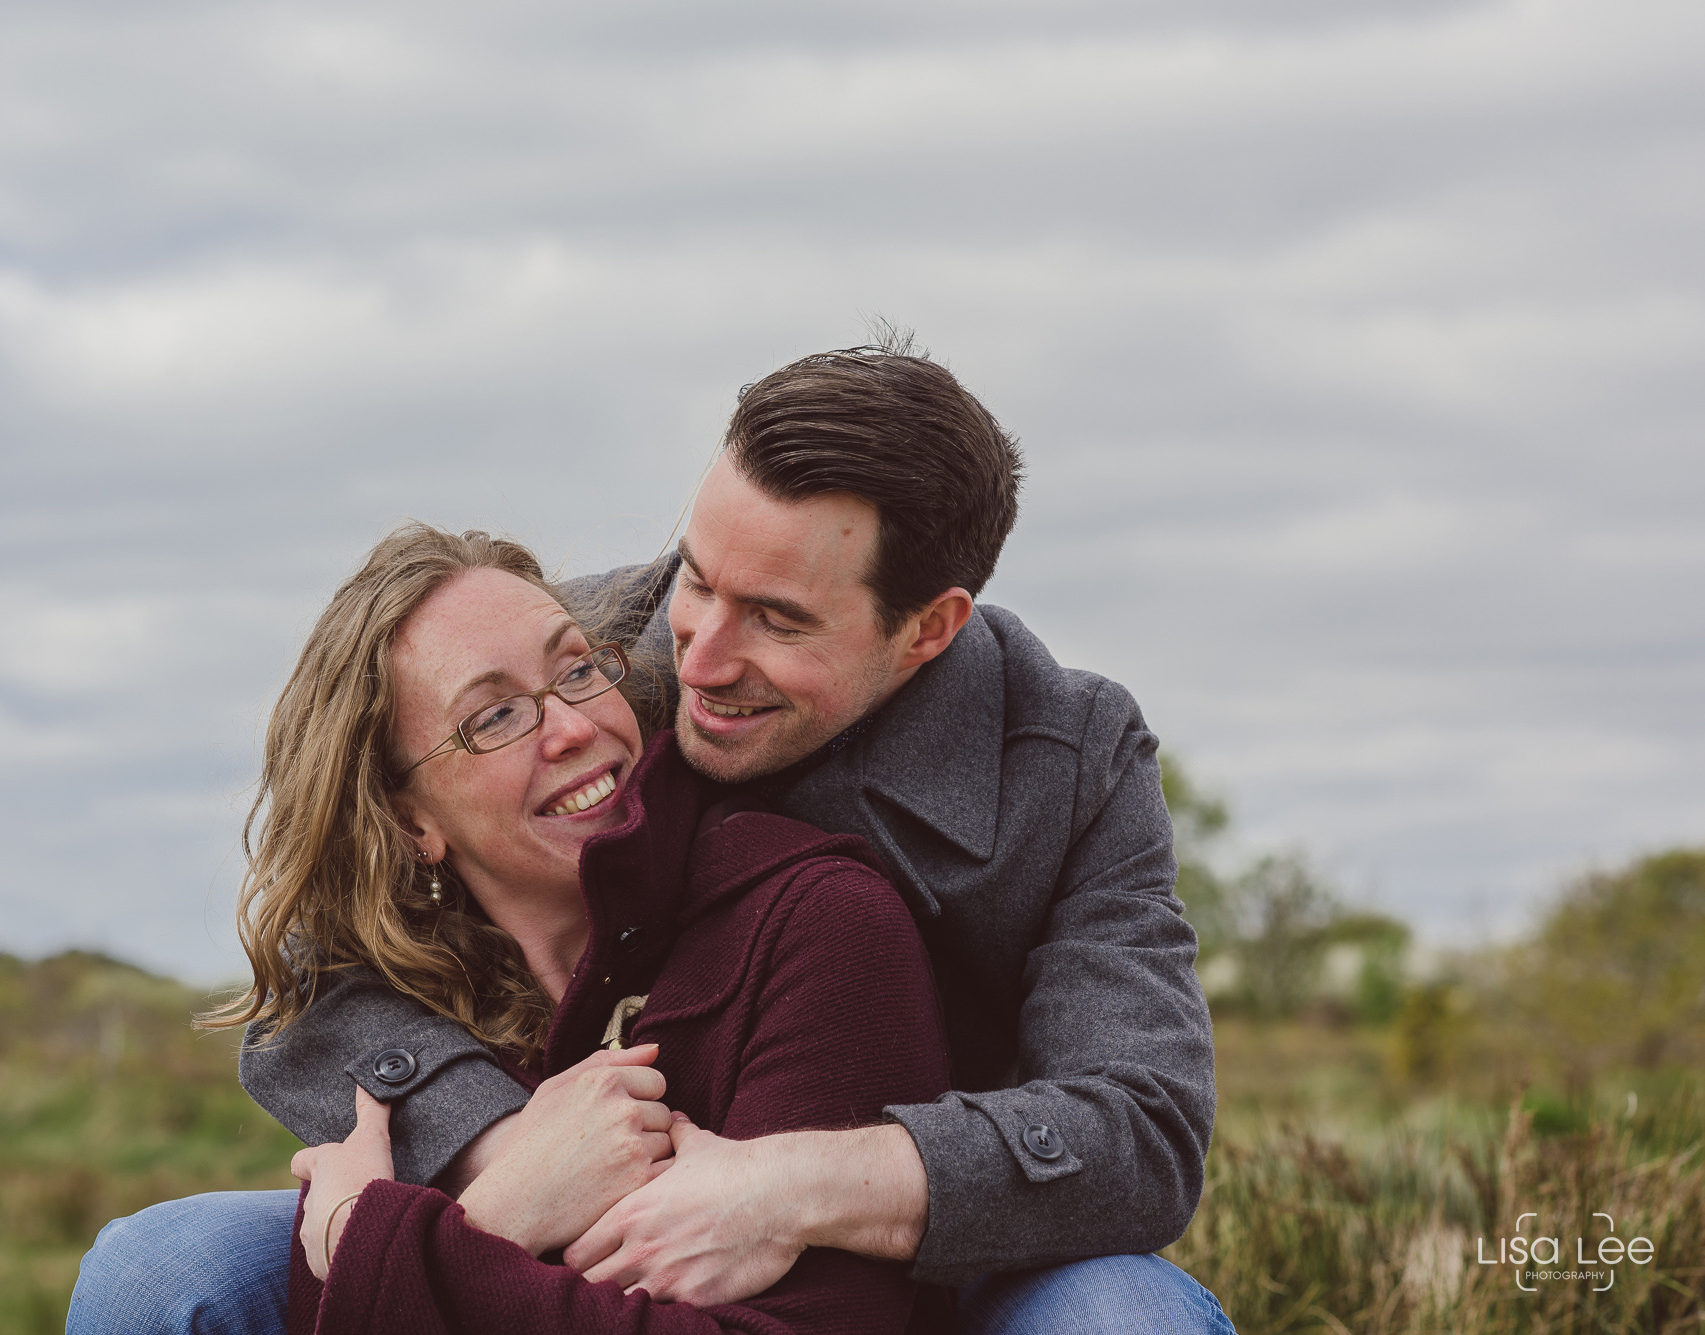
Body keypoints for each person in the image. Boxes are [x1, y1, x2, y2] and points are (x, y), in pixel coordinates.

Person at [73, 339, 1235, 1335]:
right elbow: (320, 958)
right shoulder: (588, 652)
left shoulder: (1068, 757)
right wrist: (506, 1162)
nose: (698, 657)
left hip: (938, 1261)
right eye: (698, 574)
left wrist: (790, 1187)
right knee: (159, 1277)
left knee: (1121, 1320)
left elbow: (1139, 1128)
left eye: (776, 619)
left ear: (926, 630)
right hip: (576, 1217)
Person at [69, 523, 952, 1334]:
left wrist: (374, 1242)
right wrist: (511, 1204)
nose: (574, 727)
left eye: (575, 669)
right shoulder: (400, 1012)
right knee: (154, 1270)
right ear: (412, 822)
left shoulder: (818, 920)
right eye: (492, 715)